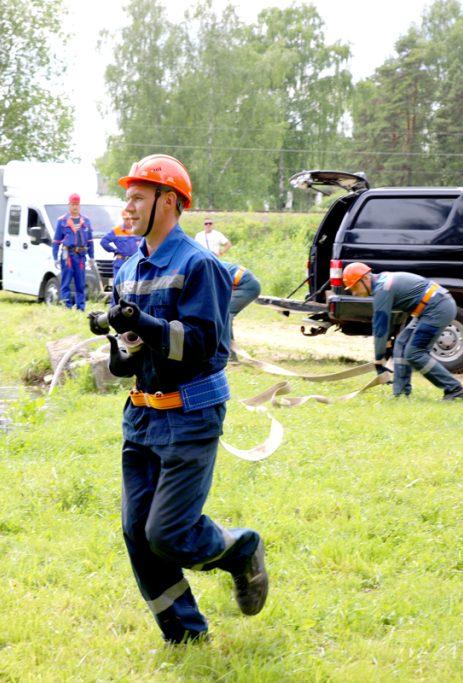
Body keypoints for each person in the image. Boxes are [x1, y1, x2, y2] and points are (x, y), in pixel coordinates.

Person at [93, 153, 268, 645]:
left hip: (190, 414)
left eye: (137, 198)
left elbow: (200, 346)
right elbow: (129, 359)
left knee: (167, 534)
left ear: (168, 201)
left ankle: (240, 550)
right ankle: (185, 635)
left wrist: (139, 323)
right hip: (142, 419)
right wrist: (116, 339)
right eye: (127, 197)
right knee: (136, 533)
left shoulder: (200, 265)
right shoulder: (128, 269)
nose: (127, 206)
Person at [342, 262, 463, 400]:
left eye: (354, 287)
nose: (354, 293)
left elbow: (380, 327)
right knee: (401, 344)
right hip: (428, 307)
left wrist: (379, 359)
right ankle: (401, 394)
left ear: (365, 279)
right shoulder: (382, 283)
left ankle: (455, 390)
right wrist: (387, 344)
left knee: (414, 353)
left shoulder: (382, 289)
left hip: (437, 308)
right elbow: (389, 319)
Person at [52, 193, 95, 310]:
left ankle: (81, 307)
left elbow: (90, 241)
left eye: (77, 204)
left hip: (81, 256)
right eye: (72, 204)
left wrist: (92, 257)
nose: (75, 207)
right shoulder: (62, 221)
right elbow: (56, 241)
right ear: (69, 205)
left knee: (80, 283)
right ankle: (66, 306)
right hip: (68, 256)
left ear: (79, 205)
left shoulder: (86, 221)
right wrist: (55, 257)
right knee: (66, 282)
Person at [221, 262, 261, 353]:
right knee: (221, 314)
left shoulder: (208, 270)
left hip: (247, 285)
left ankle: (230, 354)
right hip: (243, 282)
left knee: (226, 315)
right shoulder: (207, 265)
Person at [100, 209, 141, 280]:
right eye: (126, 219)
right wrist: (114, 251)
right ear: (123, 219)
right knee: (118, 287)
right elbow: (104, 242)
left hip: (135, 264)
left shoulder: (139, 230)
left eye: (129, 218)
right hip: (121, 263)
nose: (128, 221)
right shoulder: (117, 230)